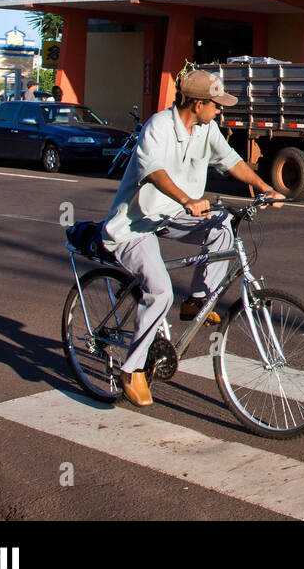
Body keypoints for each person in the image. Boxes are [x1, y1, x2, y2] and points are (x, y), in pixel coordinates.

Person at [101, 70, 285, 407]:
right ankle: (131, 368)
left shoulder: (206, 128)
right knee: (159, 291)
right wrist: (186, 199)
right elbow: (154, 172)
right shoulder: (157, 127)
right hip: (135, 224)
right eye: (216, 105)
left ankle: (198, 298)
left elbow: (231, 160)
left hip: (173, 217)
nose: (220, 112)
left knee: (222, 225)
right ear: (198, 103)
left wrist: (265, 189)